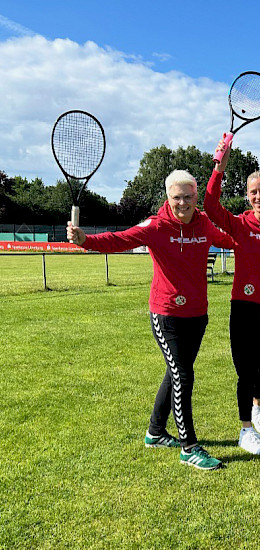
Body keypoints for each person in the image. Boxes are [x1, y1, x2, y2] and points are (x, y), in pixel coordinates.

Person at [67, 169, 234, 471]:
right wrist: (85, 240)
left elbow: (231, 240)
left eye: (188, 197)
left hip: (197, 314)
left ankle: (155, 433)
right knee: (183, 376)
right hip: (166, 315)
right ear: (168, 197)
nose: (182, 203)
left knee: (176, 374)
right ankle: (189, 448)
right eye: (176, 197)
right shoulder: (156, 226)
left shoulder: (205, 223)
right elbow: (120, 239)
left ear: (197, 196)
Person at [206, 138, 260, 456]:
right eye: (253, 192)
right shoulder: (240, 225)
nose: (258, 196)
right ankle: (245, 430)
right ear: (248, 196)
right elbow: (211, 206)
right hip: (243, 307)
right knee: (244, 369)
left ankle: (257, 407)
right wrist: (219, 167)